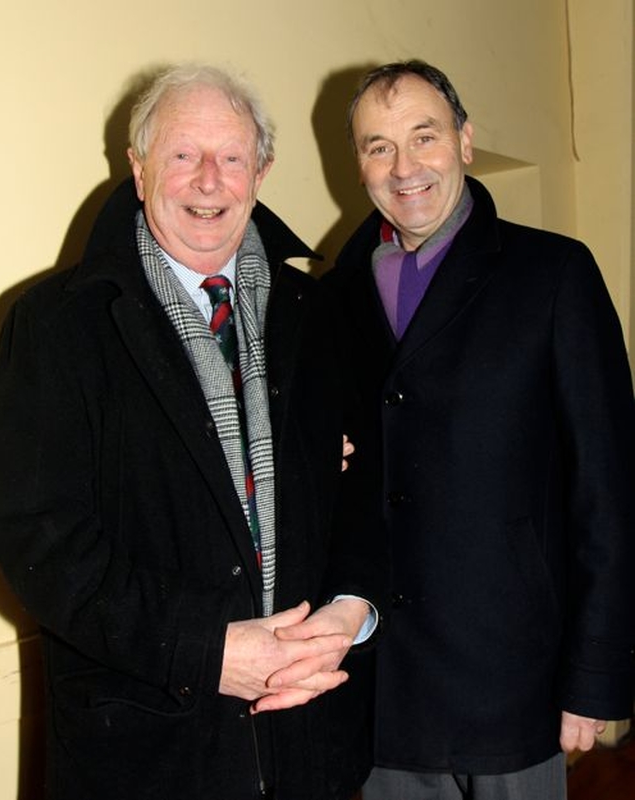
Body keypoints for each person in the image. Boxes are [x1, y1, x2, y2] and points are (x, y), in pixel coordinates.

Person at [0, 64, 384, 800]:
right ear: (139, 170)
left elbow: (364, 486)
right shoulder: (55, 328)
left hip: (312, 739)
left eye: (232, 157)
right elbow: (43, 548)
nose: (210, 180)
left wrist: (349, 611)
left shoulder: (318, 311)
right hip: (146, 752)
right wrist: (206, 650)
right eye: (182, 155)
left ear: (260, 172)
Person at [322, 59, 635, 800]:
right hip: (379, 693)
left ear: (465, 141)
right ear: (358, 165)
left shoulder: (553, 274)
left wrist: (594, 676)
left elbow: (609, 487)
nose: (404, 168)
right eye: (377, 146)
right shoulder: (333, 296)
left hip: (512, 682)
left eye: (424, 137)